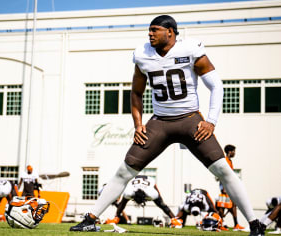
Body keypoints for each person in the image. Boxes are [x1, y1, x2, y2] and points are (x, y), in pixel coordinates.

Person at [70, 15, 265, 235]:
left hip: (190, 120)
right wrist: (138, 124)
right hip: (160, 123)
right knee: (125, 170)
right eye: (149, 30)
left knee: (223, 169)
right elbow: (136, 92)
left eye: (155, 30)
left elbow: (216, 86)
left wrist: (210, 121)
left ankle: (255, 223)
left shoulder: (190, 49)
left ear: (170, 31)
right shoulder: (143, 54)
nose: (150, 34)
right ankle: (90, 218)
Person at [106, 175, 182, 228]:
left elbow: (156, 189)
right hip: (134, 181)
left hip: (148, 181)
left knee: (161, 204)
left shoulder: (152, 193)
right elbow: (122, 204)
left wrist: (160, 196)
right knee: (123, 202)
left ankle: (175, 219)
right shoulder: (129, 192)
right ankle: (116, 218)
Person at [215, 144, 245, 231]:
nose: (235, 153)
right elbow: (223, 174)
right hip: (225, 186)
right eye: (234, 151)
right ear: (229, 152)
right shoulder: (226, 161)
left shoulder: (229, 161)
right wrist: (224, 187)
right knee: (222, 206)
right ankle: (222, 224)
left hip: (228, 185)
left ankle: (235, 224)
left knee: (232, 205)